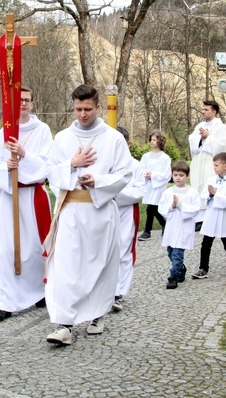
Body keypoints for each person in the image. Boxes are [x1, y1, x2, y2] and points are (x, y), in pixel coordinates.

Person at [43, 85, 134, 345]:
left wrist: (98, 180)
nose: (82, 114)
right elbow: (50, 171)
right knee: (67, 267)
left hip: (100, 211)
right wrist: (71, 165)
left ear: (98, 107)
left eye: (87, 109)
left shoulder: (113, 138)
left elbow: (124, 173)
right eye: (78, 109)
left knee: (99, 265)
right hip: (71, 210)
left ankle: (98, 314)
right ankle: (64, 324)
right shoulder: (62, 138)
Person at [0, 87, 52, 323]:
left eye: (26, 100)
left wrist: (24, 155)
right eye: (18, 100)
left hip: (31, 197)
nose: (22, 104)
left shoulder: (42, 130)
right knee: (2, 250)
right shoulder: (5, 130)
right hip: (6, 196)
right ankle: (2, 302)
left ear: (32, 103)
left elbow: (47, 164)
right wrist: (7, 168)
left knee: (33, 249)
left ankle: (38, 291)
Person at [192, 152, 226, 280]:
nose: (214, 168)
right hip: (212, 216)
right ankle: (203, 268)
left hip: (224, 217)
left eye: (216, 165)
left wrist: (216, 194)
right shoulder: (210, 180)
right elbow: (204, 196)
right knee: (206, 243)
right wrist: (209, 195)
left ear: (225, 166)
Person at [113, 126, 145, 312]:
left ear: (128, 144)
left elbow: (139, 191)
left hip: (126, 211)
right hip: (104, 211)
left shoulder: (135, 165)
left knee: (124, 250)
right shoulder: (105, 162)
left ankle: (119, 293)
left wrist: (115, 194)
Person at [188, 100, 226, 227]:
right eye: (203, 109)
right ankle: (199, 219)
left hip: (211, 161)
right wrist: (201, 138)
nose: (203, 111)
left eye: (206, 109)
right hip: (199, 160)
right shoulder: (199, 126)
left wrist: (208, 137)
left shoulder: (220, 127)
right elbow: (193, 142)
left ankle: (209, 217)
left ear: (214, 112)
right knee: (197, 186)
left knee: (208, 185)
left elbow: (221, 146)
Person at [158, 161, 200, 289]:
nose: (178, 177)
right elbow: (161, 207)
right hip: (172, 226)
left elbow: (195, 208)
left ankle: (173, 277)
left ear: (187, 176)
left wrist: (181, 205)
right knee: (170, 251)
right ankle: (181, 268)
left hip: (183, 227)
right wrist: (171, 206)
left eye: (181, 175)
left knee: (177, 253)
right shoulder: (167, 192)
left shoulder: (192, 192)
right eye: (175, 175)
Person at [137, 130, 171, 241]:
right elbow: (141, 169)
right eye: (151, 139)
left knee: (152, 207)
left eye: (154, 140)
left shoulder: (165, 158)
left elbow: (167, 174)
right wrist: (145, 174)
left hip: (158, 185)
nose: (152, 141)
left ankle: (147, 231)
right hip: (149, 185)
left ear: (160, 141)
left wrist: (154, 175)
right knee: (151, 207)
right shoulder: (146, 156)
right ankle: (164, 224)